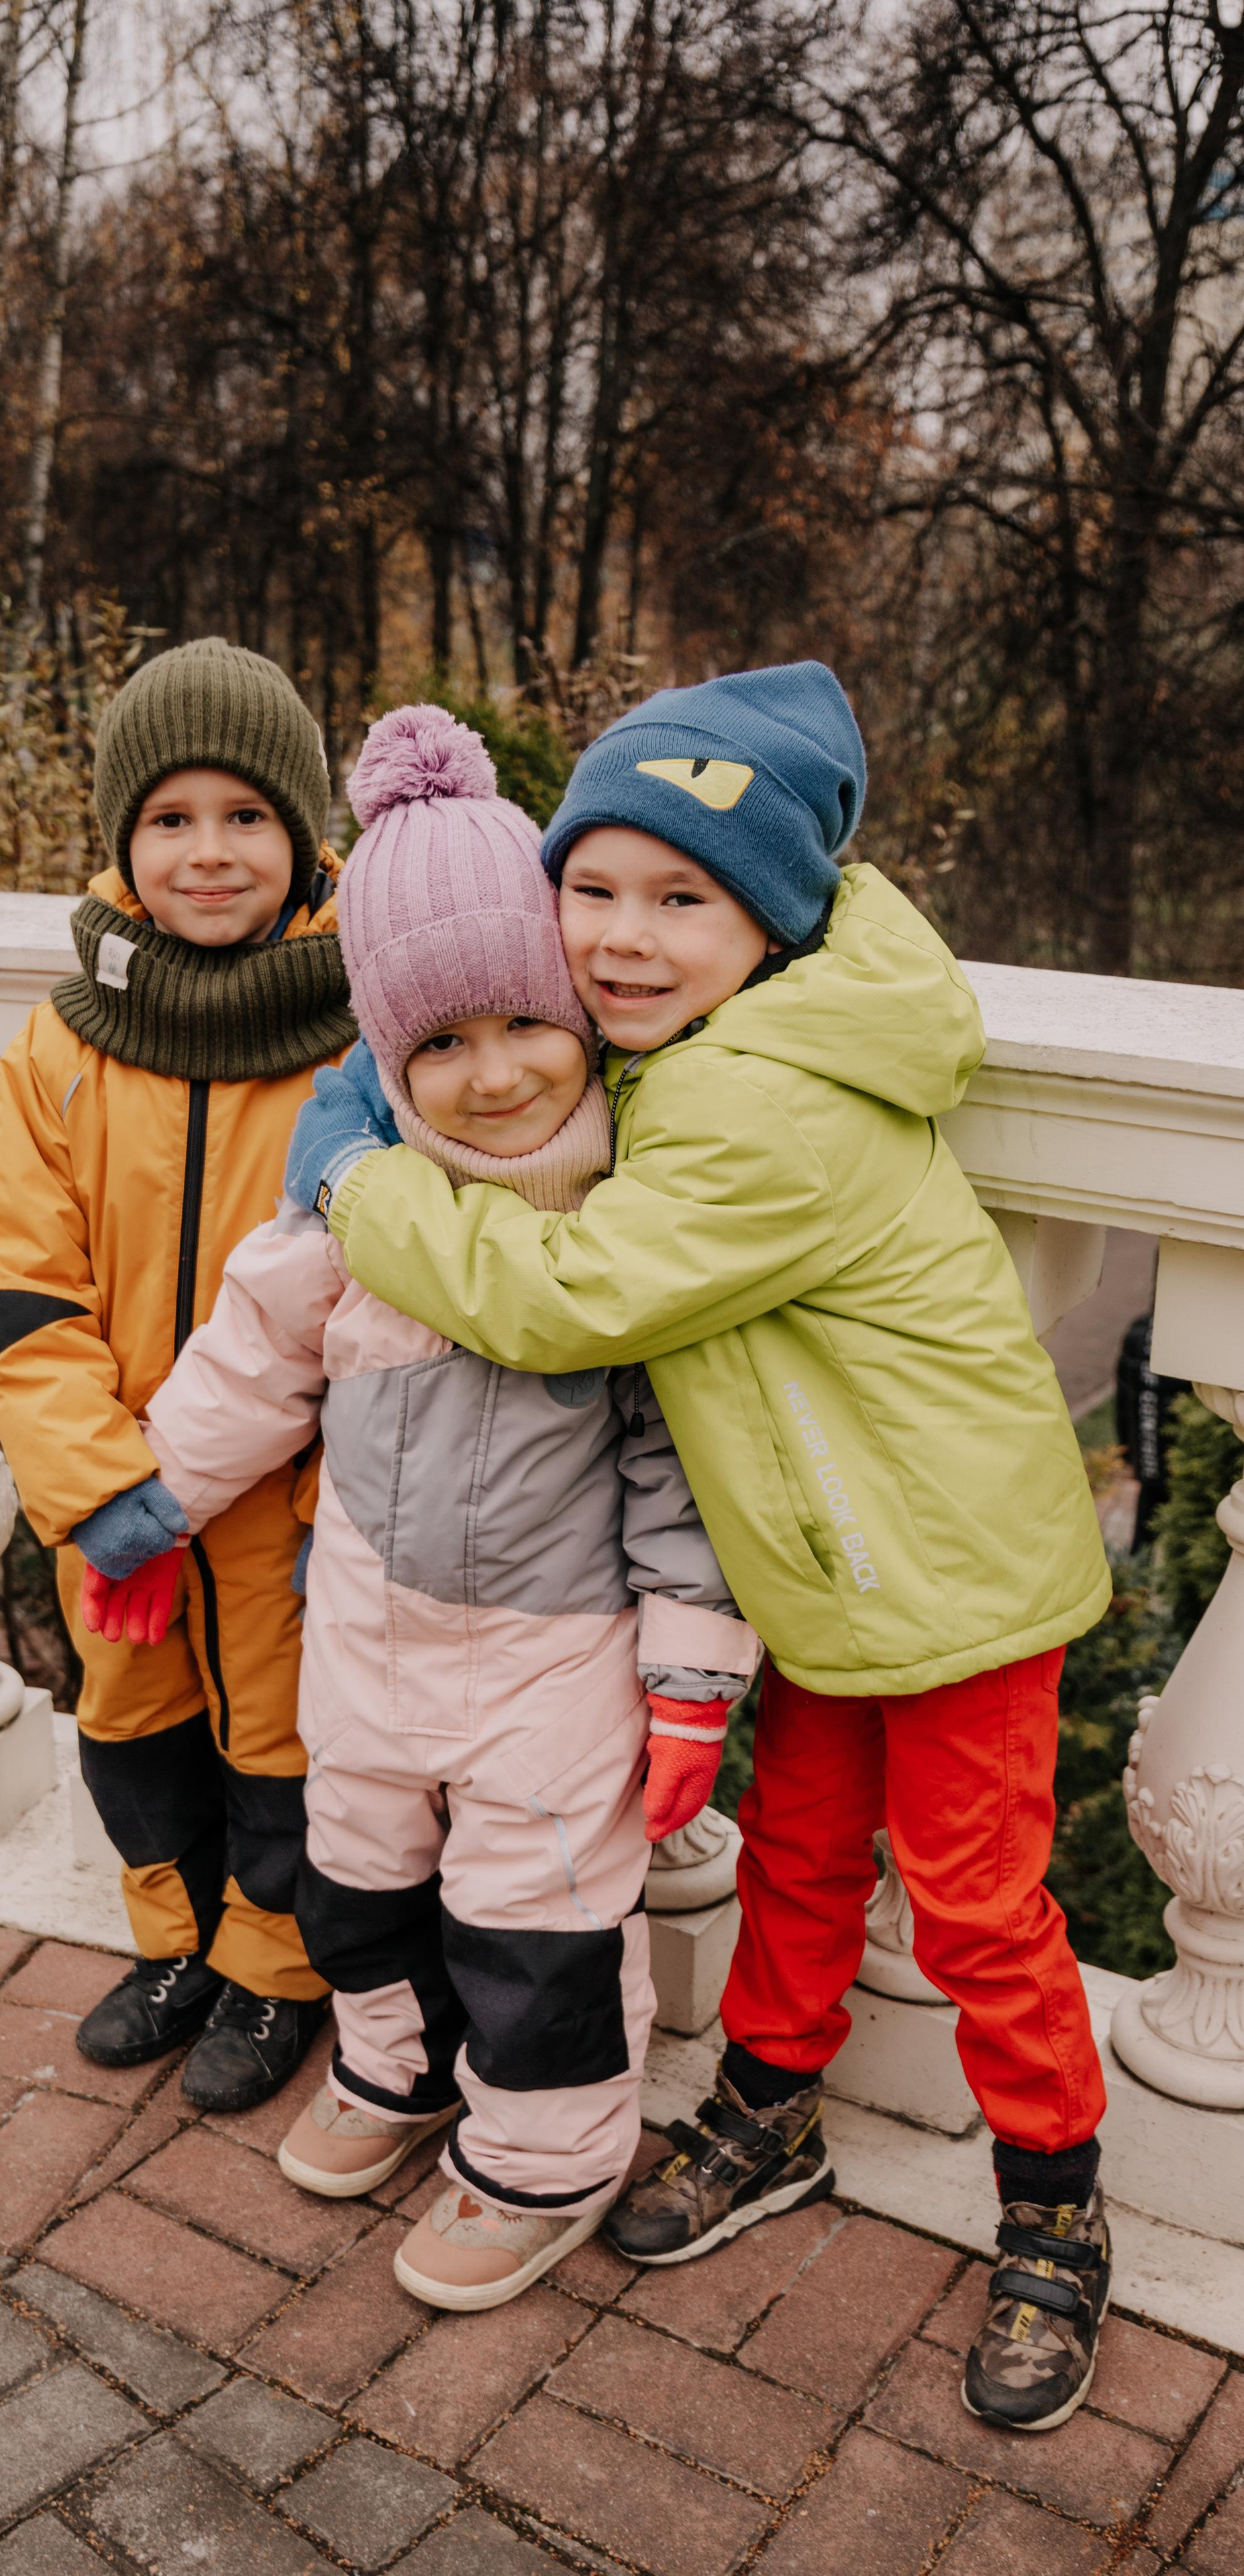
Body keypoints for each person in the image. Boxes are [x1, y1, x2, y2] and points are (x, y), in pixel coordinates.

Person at [287, 663, 1115, 2432]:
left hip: (952, 1593)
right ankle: (772, 2106)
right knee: (803, 1862)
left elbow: (569, 1295)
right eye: (590, 888)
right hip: (829, 1584)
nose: (623, 939)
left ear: (777, 926)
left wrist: (362, 1175)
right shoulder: (706, 1055)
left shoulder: (767, 1104)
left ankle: (1054, 2208)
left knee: (977, 1911)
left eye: (686, 900)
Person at [136, 706, 758, 2311]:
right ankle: (399, 2069)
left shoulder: (627, 1229)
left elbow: (684, 1466)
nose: (488, 1079)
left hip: (548, 1658)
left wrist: (692, 1676)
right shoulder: (359, 1212)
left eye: (519, 1028)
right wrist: (146, 1507)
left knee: (536, 1919)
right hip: (361, 1629)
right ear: (382, 1056)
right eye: (434, 1047)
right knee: (359, 1877)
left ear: (574, 1014)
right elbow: (251, 1354)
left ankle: (543, 2155)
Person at [0, 637, 352, 2114]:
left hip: (284, 1502)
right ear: (126, 838)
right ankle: (174, 1941)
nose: (208, 852)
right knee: (131, 1723)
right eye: (171, 819)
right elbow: (16, 1285)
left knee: (286, 1737)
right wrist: (97, 1482)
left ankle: (273, 1965)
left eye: (245, 817)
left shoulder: (360, 1040)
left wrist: (334, 1496)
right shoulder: (59, 1050)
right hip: (120, 1496)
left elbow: (385, 1305)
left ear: (304, 837)